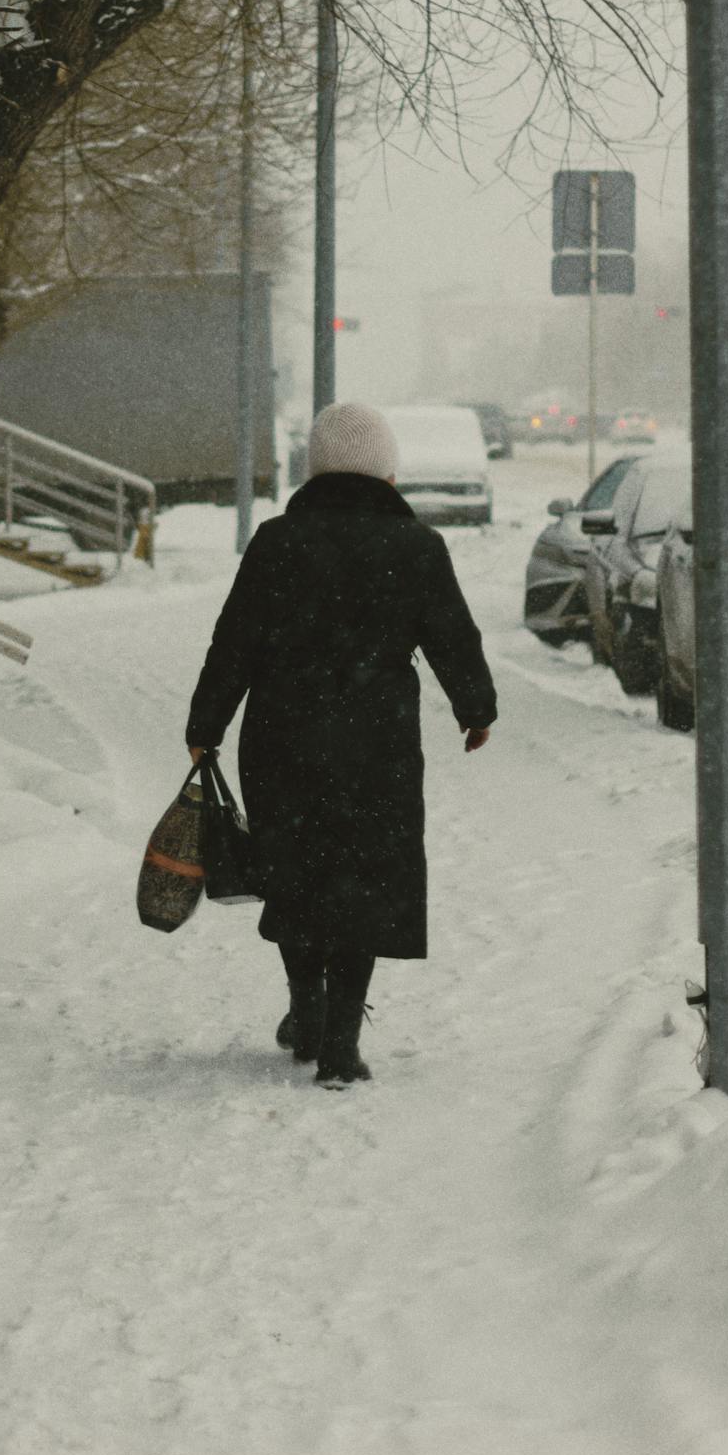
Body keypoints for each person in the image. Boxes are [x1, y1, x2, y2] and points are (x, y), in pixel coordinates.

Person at [186, 400, 497, 1089]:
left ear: (316, 471)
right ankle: (341, 1043)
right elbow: (451, 636)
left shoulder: (276, 541)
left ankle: (306, 1008)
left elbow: (232, 643)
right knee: (363, 882)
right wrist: (476, 709)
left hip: (282, 739)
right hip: (375, 743)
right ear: (388, 472)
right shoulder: (415, 547)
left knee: (296, 874)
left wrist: (205, 727)